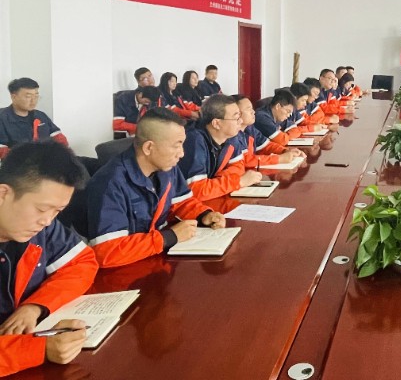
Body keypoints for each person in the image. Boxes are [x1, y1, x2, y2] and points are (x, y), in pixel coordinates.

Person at [0, 142, 99, 376]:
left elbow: (82, 262)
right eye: (42, 209)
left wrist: (35, 307)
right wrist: (38, 350)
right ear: (3, 194)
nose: (47, 221)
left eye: (57, 211)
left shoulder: (40, 229)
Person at [86, 108, 225, 268]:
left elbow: (181, 202)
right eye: (176, 146)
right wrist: (168, 237)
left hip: (151, 258)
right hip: (121, 270)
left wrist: (204, 215)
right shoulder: (110, 183)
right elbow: (108, 251)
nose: (181, 154)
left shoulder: (166, 167)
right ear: (148, 148)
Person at [178, 95, 260, 201]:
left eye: (240, 116)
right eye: (236, 118)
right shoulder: (194, 140)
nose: (240, 121)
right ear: (216, 123)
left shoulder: (231, 136)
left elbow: (238, 167)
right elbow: (197, 190)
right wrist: (239, 182)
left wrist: (216, 182)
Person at [0, 78, 68, 160]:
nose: (33, 101)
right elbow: (2, 151)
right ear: (14, 97)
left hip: (46, 162)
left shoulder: (40, 116)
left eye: (36, 96)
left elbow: (59, 139)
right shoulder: (2, 118)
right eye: (28, 96)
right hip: (18, 165)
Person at [232, 95, 302, 169]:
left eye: (252, 108)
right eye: (249, 109)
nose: (253, 112)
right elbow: (245, 161)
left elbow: (266, 145)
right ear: (236, 114)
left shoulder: (249, 128)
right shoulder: (232, 135)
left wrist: (285, 151)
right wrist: (279, 159)